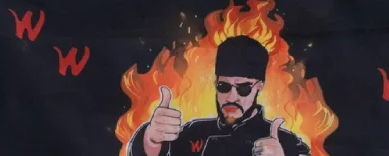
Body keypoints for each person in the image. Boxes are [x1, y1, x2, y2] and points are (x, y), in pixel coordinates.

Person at [128, 36, 310, 156]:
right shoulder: (193, 132)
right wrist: (151, 139)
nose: (231, 97)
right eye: (224, 86)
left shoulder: (285, 142)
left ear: (259, 87)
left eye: (243, 88)